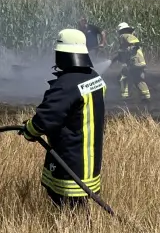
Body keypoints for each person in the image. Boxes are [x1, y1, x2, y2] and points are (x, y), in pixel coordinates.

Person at [21, 28, 106, 208]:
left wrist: (29, 129)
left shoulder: (66, 85)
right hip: (90, 161)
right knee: (79, 207)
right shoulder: (95, 78)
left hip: (70, 160)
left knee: (69, 209)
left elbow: (46, 119)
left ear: (62, 54)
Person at [110, 22, 151, 101]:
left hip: (134, 62)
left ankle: (125, 95)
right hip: (139, 62)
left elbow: (135, 42)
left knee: (122, 77)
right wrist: (114, 60)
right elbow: (122, 53)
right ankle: (146, 96)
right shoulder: (127, 38)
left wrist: (132, 48)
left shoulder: (125, 35)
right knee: (138, 79)